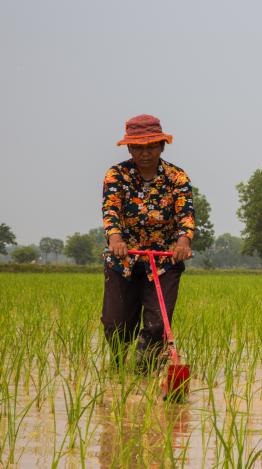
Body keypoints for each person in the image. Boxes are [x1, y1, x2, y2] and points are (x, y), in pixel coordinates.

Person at [101, 114, 195, 372]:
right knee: (115, 324)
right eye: (139, 148)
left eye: (151, 146)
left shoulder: (177, 177)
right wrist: (116, 238)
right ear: (129, 148)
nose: (145, 153)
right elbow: (110, 211)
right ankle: (119, 370)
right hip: (124, 257)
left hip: (164, 259)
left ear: (162, 146)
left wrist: (183, 241)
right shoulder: (116, 175)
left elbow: (185, 214)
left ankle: (147, 371)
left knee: (157, 325)